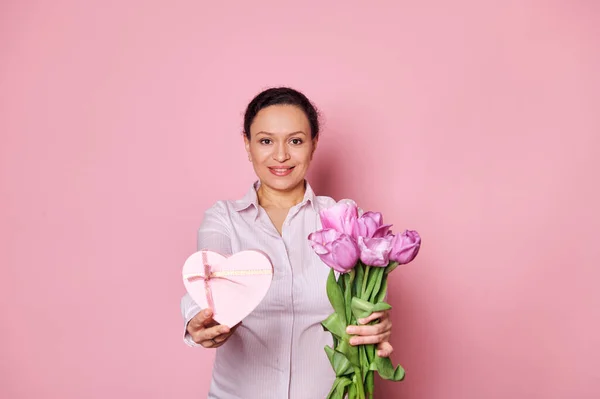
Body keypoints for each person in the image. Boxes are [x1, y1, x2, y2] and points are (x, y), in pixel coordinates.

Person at [180, 87, 394, 398]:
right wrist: (198, 321)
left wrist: (378, 324)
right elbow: (209, 278)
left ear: (313, 144)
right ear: (247, 145)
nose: (281, 156)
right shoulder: (223, 218)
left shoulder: (343, 218)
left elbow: (365, 303)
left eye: (295, 141)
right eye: (266, 141)